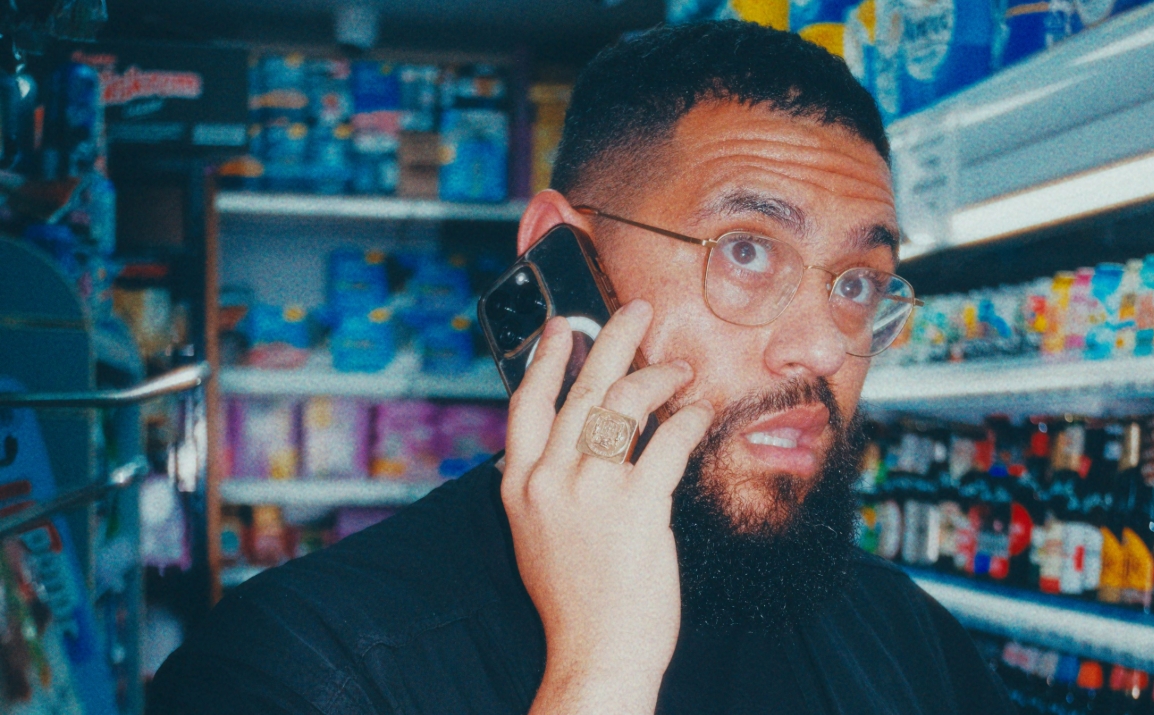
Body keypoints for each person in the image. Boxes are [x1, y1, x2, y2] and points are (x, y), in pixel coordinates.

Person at [150, 20, 1014, 715]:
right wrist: (599, 671)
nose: (825, 346)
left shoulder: (906, 640)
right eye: (748, 250)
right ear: (564, 258)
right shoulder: (301, 665)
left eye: (859, 282)